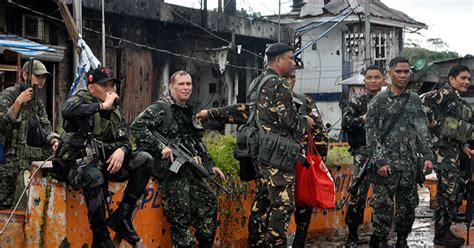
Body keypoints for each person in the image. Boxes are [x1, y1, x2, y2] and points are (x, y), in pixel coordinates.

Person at [195, 72, 327, 247]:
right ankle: (259, 242)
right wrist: (211, 113)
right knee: (266, 203)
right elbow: (240, 111)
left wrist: (320, 161)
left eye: (290, 79)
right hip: (272, 163)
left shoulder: (304, 103)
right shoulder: (264, 103)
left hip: (299, 162)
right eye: (283, 80)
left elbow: (319, 132)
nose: (286, 83)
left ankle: (298, 243)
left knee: (302, 206)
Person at [53, 67, 153, 248]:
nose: (111, 90)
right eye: (105, 85)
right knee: (94, 175)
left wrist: (122, 150)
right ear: (92, 87)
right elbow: (67, 110)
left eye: (112, 85)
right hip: (76, 165)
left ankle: (122, 216)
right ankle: (100, 237)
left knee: (145, 159)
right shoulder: (82, 99)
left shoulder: (115, 111)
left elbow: (126, 140)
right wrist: (101, 106)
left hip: (103, 164)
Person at [130, 70, 226, 248]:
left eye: (188, 84)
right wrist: (161, 147)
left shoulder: (187, 111)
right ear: (172, 87)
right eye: (181, 84)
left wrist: (209, 165)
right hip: (170, 170)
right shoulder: (161, 108)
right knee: (180, 217)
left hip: (188, 167)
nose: (186, 87)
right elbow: (137, 127)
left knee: (209, 202)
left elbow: (196, 140)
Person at [366, 57, 433, 248]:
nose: (403, 75)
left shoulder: (413, 99)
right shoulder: (378, 101)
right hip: (386, 165)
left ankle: (402, 238)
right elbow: (371, 135)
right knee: (383, 206)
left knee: (408, 205)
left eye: (406, 72)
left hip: (410, 164)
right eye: (398, 72)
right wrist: (380, 161)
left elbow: (422, 129)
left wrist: (427, 156)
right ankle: (380, 239)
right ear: (389, 74)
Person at [420, 65, 472, 246]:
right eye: (463, 78)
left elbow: (457, 128)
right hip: (442, 153)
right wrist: (432, 121)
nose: (466, 82)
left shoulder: (457, 100)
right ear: (451, 79)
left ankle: (444, 230)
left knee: (451, 191)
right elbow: (422, 101)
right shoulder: (445, 93)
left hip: (452, 151)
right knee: (447, 192)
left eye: (469, 79)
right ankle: (441, 233)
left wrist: (463, 145)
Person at [0, 59, 59, 210]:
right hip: (10, 164)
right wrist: (17, 104)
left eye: (44, 77)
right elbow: (2, 126)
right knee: (6, 207)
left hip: (32, 162)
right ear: (25, 74)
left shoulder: (36, 102)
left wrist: (53, 140)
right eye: (38, 76)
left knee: (31, 207)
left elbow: (45, 125)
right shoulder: (9, 95)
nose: (42, 80)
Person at [341, 65, 384, 246]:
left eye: (377, 77)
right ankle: (352, 234)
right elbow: (346, 124)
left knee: (383, 196)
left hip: (385, 155)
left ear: (383, 80)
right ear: (364, 81)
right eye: (370, 78)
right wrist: (363, 118)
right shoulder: (357, 103)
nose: (373, 81)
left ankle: (380, 234)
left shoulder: (388, 102)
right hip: (363, 154)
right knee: (358, 195)